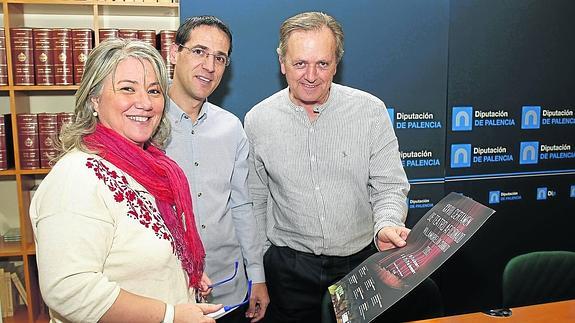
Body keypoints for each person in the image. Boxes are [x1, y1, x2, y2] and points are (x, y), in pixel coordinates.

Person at [29, 39, 221, 323]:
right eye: (127, 88)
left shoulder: (153, 168)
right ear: (94, 99)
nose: (144, 103)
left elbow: (137, 252)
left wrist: (180, 271)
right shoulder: (76, 177)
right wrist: (170, 315)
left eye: (154, 91)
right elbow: (69, 289)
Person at [244, 12, 411, 322]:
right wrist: (258, 273)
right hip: (288, 272)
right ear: (282, 63)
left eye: (322, 63)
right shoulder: (258, 120)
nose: (311, 75)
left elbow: (389, 186)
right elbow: (255, 201)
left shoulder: (370, 112)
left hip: (359, 266)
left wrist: (386, 223)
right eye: (299, 63)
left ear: (337, 63)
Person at [165, 16, 269, 323]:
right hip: (167, 296)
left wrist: (257, 276)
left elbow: (242, 206)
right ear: (174, 53)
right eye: (199, 51)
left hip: (228, 292)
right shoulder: (145, 123)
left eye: (219, 58)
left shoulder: (231, 128)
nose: (209, 66)